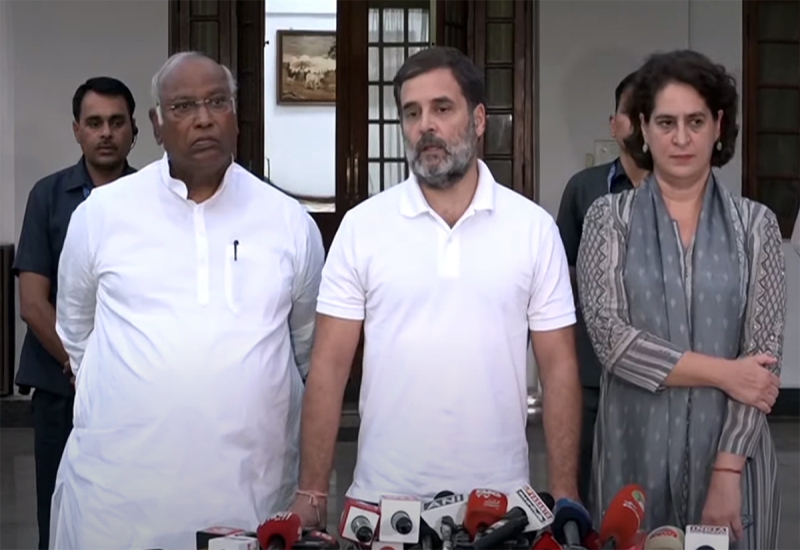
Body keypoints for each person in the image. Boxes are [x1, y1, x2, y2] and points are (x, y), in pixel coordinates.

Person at [289, 46, 582, 527]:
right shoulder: (364, 228)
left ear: (479, 119)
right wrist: (312, 492)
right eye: (412, 113)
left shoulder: (532, 229)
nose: (426, 125)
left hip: (501, 505)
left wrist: (565, 494)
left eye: (442, 109)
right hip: (382, 503)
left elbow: (559, 368)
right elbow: (327, 367)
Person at [49, 51, 325, 549]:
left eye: (217, 102)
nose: (203, 118)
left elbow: (305, 348)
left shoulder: (288, 222)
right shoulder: (102, 215)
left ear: (236, 117)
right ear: (155, 124)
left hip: (251, 499)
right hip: (116, 502)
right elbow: (76, 329)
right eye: (182, 106)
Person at [577, 50, 784, 548]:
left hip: (735, 462)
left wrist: (727, 472)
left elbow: (761, 369)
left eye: (695, 121)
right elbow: (612, 340)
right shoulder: (610, 220)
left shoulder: (757, 227)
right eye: (666, 122)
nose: (682, 138)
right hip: (632, 456)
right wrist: (723, 372)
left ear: (718, 125)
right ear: (642, 129)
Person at [12, 76, 138, 550]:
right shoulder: (47, 196)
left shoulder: (153, 198)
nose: (106, 132)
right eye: (94, 123)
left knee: (124, 511)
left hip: (131, 388)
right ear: (76, 131)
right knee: (59, 511)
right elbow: (32, 302)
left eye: (116, 122)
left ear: (134, 131)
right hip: (59, 384)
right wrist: (80, 364)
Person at [555, 70, 647, 505]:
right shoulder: (585, 189)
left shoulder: (683, 194)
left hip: (663, 372)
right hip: (592, 370)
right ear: (614, 125)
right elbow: (562, 275)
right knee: (588, 490)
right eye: (633, 114)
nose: (644, 125)